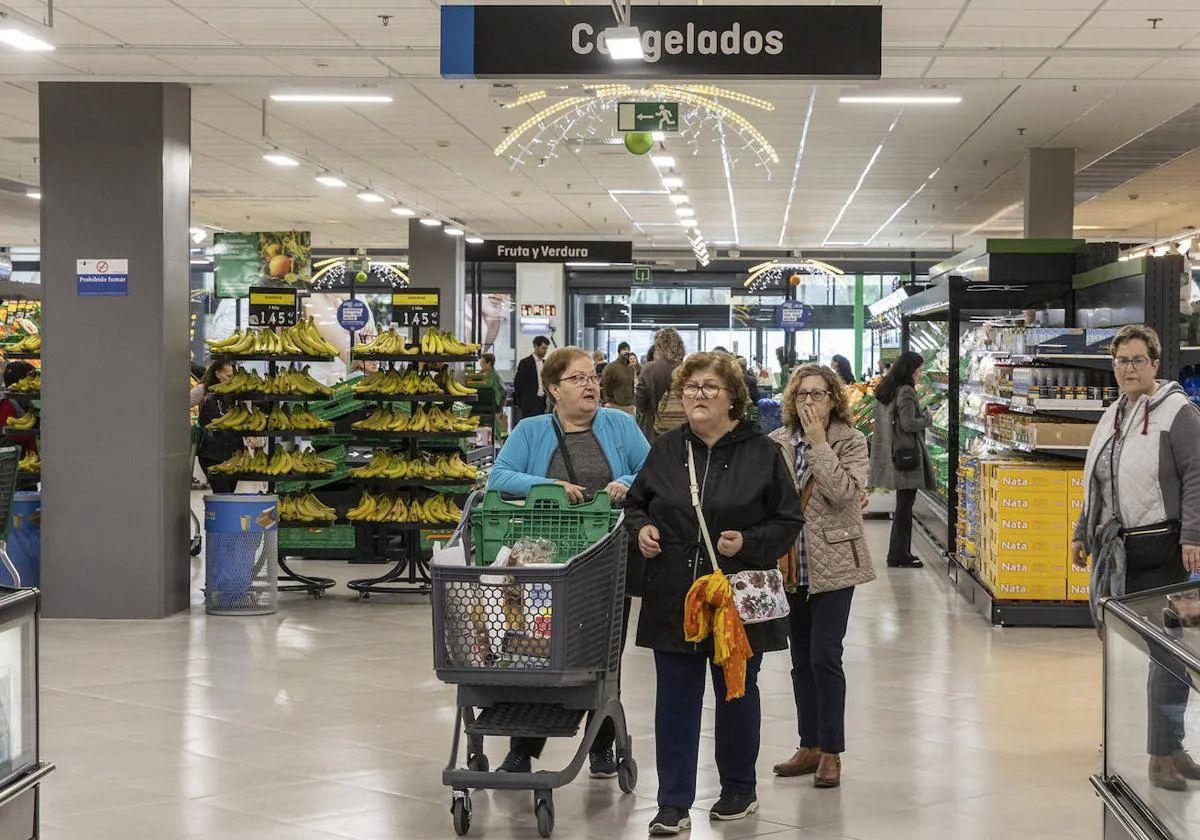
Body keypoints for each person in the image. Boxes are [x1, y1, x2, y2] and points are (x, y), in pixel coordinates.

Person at [624, 352, 802, 835]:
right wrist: (641, 530)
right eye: (690, 388)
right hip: (675, 597)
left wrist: (749, 542)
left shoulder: (763, 452)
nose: (697, 396)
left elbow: (789, 520)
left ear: (732, 399)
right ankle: (673, 802)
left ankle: (739, 789)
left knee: (736, 694)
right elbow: (637, 505)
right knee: (675, 700)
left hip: (737, 596)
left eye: (708, 388)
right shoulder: (665, 448)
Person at [488, 346, 650, 778]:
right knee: (534, 652)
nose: (591, 385)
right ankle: (521, 749)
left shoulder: (621, 425)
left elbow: (652, 470)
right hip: (542, 566)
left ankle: (600, 745)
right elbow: (500, 476)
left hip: (606, 562)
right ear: (553, 389)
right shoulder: (530, 430)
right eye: (578, 379)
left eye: (592, 377)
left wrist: (625, 482)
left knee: (601, 656)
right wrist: (550, 484)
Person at [1071, 324, 1200, 791]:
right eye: (1121, 360)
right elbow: (1096, 481)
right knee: (1150, 654)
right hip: (1121, 549)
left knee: (1167, 656)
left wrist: (1193, 534)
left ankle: (1162, 756)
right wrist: (1081, 531)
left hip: (1166, 548)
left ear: (1155, 364)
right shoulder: (1114, 415)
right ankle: (1169, 747)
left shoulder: (1178, 413)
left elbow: (1195, 476)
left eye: (1137, 360)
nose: (1128, 368)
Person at [768, 364, 875, 789]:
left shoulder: (852, 441)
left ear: (834, 399)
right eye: (802, 395)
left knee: (825, 656)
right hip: (788, 565)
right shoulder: (775, 443)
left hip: (834, 564)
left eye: (818, 394)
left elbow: (844, 493)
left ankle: (831, 750)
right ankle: (808, 744)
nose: (809, 402)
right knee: (799, 661)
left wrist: (817, 444)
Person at [867, 350, 930, 568]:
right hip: (907, 458)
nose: (919, 374)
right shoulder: (905, 392)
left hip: (894, 455)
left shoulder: (888, 390)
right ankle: (899, 554)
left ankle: (899, 552)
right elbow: (909, 424)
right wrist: (926, 419)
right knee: (905, 508)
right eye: (918, 370)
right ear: (910, 370)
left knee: (903, 507)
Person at [196, 360, 242, 494]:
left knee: (229, 492)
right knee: (223, 492)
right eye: (229, 376)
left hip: (234, 451)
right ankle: (221, 514)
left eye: (235, 375)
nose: (232, 379)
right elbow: (180, 403)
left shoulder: (238, 391)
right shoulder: (203, 390)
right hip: (211, 453)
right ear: (217, 374)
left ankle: (221, 514)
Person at [635, 327, 686, 442]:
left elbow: (639, 403)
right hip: (682, 432)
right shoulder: (687, 369)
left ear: (658, 346)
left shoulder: (649, 369)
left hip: (653, 432)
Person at [512, 335, 551, 425]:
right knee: (529, 425)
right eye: (543, 348)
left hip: (541, 401)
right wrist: (521, 402)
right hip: (528, 402)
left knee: (540, 425)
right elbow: (518, 383)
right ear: (536, 346)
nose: (545, 351)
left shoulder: (545, 363)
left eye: (546, 349)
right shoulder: (525, 363)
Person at [0, 361, 36, 454]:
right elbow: (10, 446)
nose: (35, 383)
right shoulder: (7, 408)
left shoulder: (22, 404)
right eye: (31, 380)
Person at [601, 342, 638, 415]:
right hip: (615, 406)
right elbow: (604, 385)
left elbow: (631, 386)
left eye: (628, 349)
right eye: (624, 349)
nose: (627, 351)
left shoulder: (630, 368)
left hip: (629, 406)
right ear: (619, 351)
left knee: (629, 426)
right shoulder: (610, 367)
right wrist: (606, 401)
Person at [478, 352, 507, 437]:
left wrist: (499, 409)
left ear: (489, 363)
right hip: (485, 408)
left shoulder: (494, 376)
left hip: (494, 408)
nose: (480, 364)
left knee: (495, 433)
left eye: (482, 362)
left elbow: (503, 393)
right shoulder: (481, 374)